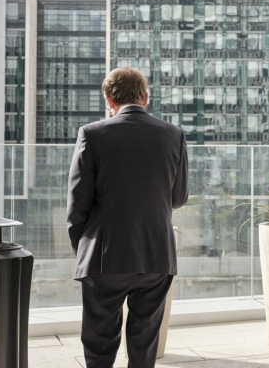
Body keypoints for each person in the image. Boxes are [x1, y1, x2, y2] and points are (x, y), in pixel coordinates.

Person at [67, 67, 188, 368]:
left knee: (99, 345)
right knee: (144, 343)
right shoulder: (174, 135)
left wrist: (83, 250)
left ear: (109, 100)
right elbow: (179, 197)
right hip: (157, 255)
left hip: (105, 257)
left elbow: (77, 205)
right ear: (145, 97)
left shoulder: (92, 134)